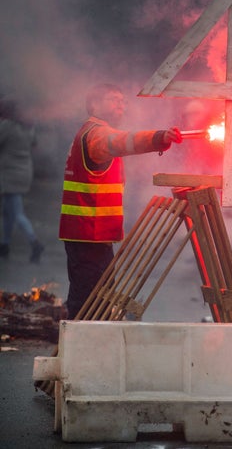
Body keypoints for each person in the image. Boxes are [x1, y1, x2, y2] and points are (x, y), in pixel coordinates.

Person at [59, 84, 182, 319]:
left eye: (122, 100)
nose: (120, 104)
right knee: (91, 302)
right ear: (94, 105)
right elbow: (122, 141)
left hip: (90, 233)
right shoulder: (97, 134)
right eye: (113, 99)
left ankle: (85, 345)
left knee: (91, 298)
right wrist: (159, 138)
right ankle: (84, 348)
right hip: (89, 233)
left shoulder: (89, 131)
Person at [0, 96, 44, 262]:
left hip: (9, 173)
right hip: (24, 172)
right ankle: (5, 244)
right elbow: (35, 145)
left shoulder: (8, 126)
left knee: (16, 212)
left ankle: (35, 243)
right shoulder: (29, 127)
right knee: (7, 210)